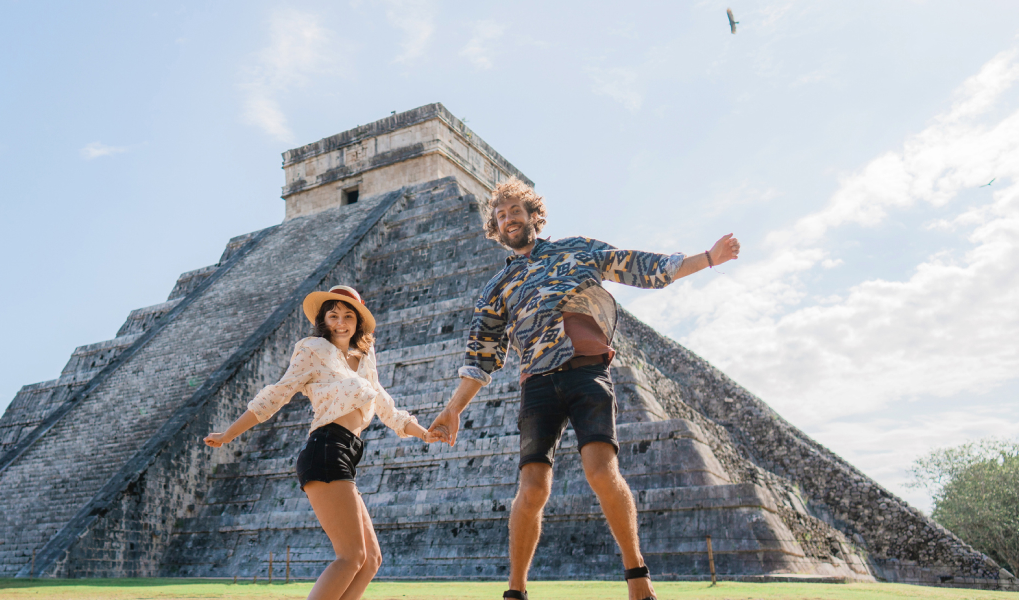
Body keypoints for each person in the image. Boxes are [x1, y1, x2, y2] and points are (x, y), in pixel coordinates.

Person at [428, 178, 741, 600]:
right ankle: (515, 591)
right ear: (495, 227)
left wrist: (707, 258)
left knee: (601, 472)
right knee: (533, 488)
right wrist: (453, 409)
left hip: (585, 372)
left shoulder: (575, 249)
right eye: (500, 215)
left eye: (515, 211)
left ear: (532, 215)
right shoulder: (495, 289)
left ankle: (638, 579)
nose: (509, 219)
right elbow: (482, 355)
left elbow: (639, 265)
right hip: (537, 383)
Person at [205, 285, 437, 600]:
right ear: (323, 320)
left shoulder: (365, 358)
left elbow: (386, 406)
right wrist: (228, 434)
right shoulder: (312, 349)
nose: (341, 322)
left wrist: (423, 432)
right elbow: (278, 393)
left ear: (358, 322)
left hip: (346, 454)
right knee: (352, 556)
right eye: (333, 315)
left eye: (348, 316)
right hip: (326, 448)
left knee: (370, 561)